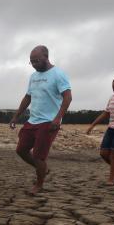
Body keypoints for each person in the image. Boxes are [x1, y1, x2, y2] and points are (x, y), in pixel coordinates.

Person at [9, 45, 72, 195]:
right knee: (21, 150)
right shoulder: (33, 76)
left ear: (46, 57)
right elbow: (28, 97)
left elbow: (68, 97)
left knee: (39, 156)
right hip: (33, 120)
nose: (34, 64)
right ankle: (43, 169)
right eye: (31, 62)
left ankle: (39, 184)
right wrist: (16, 116)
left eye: (36, 61)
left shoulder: (58, 74)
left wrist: (58, 118)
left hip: (49, 121)